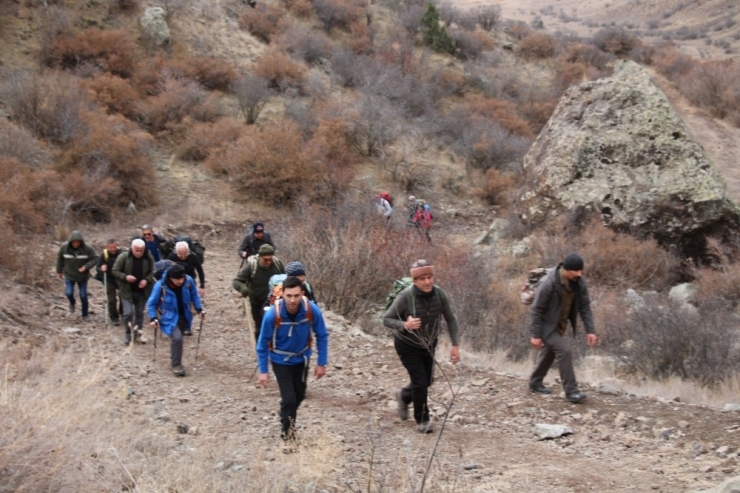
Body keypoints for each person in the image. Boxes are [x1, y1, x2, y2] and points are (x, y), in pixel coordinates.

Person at [383, 260, 459, 434]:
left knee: (427, 381)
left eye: (430, 277)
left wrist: (455, 345)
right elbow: (386, 319)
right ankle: (422, 420)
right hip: (407, 345)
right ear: (415, 281)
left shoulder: (440, 295)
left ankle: (403, 396)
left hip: (429, 344)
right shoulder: (405, 297)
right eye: (422, 278)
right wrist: (405, 325)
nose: (427, 282)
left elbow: (451, 319)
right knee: (420, 382)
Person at [257, 276, 328, 441]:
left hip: (302, 358)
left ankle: (285, 413)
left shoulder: (311, 310)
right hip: (280, 360)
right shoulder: (272, 315)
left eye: (296, 295)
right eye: (289, 296)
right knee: (289, 399)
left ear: (302, 293)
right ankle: (288, 437)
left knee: (300, 395)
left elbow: (322, 335)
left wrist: (321, 363)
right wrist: (263, 370)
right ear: (282, 295)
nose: (293, 300)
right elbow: (262, 344)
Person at [528, 253, 597, 403]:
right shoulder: (549, 283)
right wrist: (536, 335)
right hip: (546, 325)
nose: (579, 274)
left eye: (581, 270)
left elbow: (584, 307)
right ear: (566, 270)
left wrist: (590, 330)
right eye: (575, 271)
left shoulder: (579, 282)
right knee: (564, 350)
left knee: (550, 353)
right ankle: (571, 392)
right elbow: (536, 309)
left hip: (559, 324)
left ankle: (535, 382)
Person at [147, 264, 204, 377]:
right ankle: (176, 365)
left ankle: (176, 359)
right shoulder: (160, 286)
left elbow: (194, 295)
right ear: (171, 277)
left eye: (181, 278)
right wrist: (153, 318)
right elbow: (151, 303)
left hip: (184, 316)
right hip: (169, 318)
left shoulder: (188, 281)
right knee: (177, 338)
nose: (180, 281)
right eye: (177, 279)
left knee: (180, 338)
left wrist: (199, 309)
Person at [233, 244, 285, 341]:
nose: (268, 262)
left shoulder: (278, 265)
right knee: (260, 328)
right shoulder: (252, 266)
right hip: (257, 303)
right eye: (265, 259)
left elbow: (285, 279)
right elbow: (236, 281)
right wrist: (243, 288)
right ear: (260, 257)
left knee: (277, 327)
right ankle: (260, 350)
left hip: (274, 303)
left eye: (270, 259)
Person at [113, 239, 156, 345]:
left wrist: (146, 280)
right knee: (128, 313)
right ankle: (128, 333)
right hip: (126, 290)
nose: (139, 253)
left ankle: (138, 335)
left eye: (141, 250)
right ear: (132, 249)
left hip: (142, 291)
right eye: (136, 250)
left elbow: (153, 271)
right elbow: (114, 270)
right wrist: (125, 277)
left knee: (139, 313)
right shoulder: (123, 257)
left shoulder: (148, 257)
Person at [56, 231, 98, 321]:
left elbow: (95, 259)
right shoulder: (64, 248)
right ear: (71, 242)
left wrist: (86, 267)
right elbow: (60, 258)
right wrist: (59, 271)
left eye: (78, 242)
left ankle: (85, 314)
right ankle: (72, 303)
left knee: (83, 295)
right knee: (69, 293)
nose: (76, 244)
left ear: (81, 242)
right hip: (69, 274)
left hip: (82, 276)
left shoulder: (88, 249)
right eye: (74, 242)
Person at [96, 238, 125, 325]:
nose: (112, 249)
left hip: (120, 278)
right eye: (110, 247)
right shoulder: (104, 255)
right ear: (107, 247)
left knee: (123, 297)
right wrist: (101, 269)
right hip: (109, 279)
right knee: (111, 299)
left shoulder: (122, 254)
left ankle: (123, 313)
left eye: (114, 247)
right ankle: (113, 317)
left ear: (117, 245)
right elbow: (97, 268)